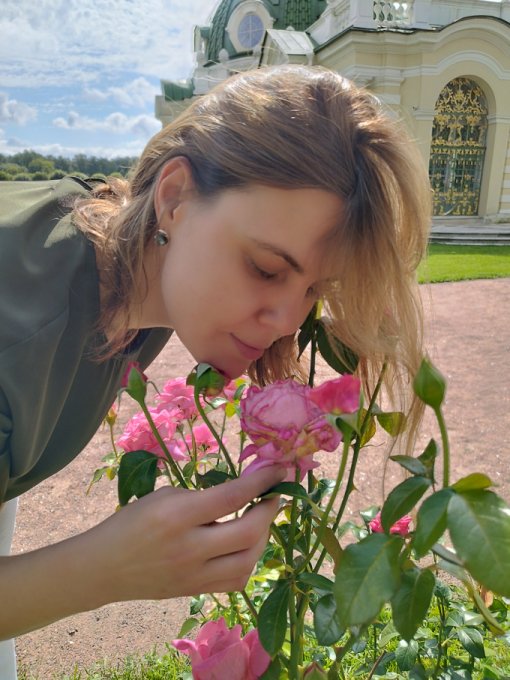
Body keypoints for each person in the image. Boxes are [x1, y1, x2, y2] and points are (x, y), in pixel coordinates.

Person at [0, 64, 431, 677]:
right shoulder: (17, 336)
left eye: (315, 289)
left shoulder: (123, 255)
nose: (287, 321)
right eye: (265, 268)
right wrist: (104, 568)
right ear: (174, 197)